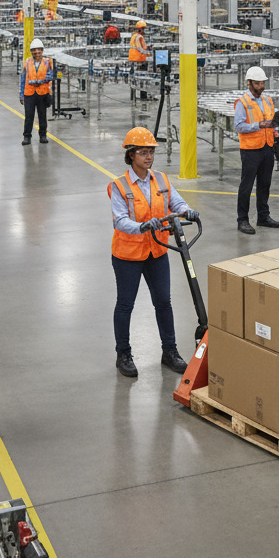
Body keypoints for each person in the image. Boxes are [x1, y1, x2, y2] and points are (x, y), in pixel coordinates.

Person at [108, 127, 198, 378]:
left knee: (163, 302)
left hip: (157, 251)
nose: (148, 157)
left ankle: (169, 351)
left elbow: (176, 202)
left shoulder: (160, 179)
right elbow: (120, 220)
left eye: (151, 152)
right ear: (131, 155)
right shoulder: (119, 186)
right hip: (128, 255)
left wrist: (186, 211)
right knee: (126, 304)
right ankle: (123, 353)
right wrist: (141, 226)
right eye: (143, 152)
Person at [234, 66, 279, 235]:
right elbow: (238, 126)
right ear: (249, 83)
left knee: (265, 184)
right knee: (246, 186)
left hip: (267, 147)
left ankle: (263, 216)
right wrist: (258, 125)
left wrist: (277, 127)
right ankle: (242, 220)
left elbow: (271, 120)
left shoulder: (268, 100)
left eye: (262, 83)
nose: (261, 86)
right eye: (258, 83)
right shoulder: (242, 103)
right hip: (250, 150)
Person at [20, 38, 53, 146]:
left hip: (43, 93)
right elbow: (22, 79)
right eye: (34, 50)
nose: (37, 52)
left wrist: (40, 82)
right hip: (29, 93)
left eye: (39, 50)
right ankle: (27, 136)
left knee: (42, 115)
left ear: (42, 51)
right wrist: (21, 94)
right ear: (31, 51)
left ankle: (43, 135)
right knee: (29, 116)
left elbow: (50, 76)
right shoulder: (27, 62)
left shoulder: (48, 62)